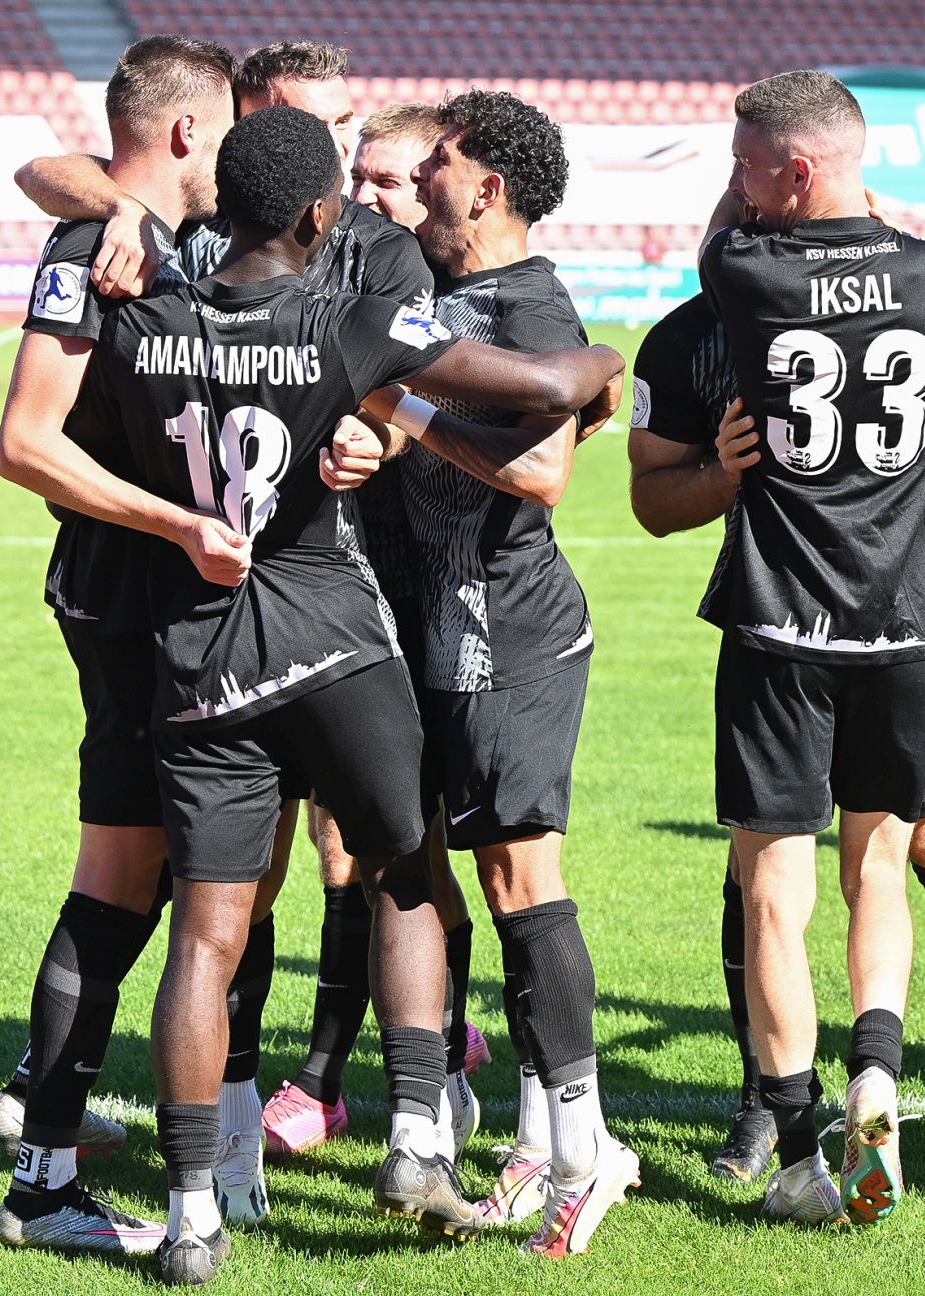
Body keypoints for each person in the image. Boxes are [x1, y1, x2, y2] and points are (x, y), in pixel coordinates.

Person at [0, 105, 624, 1284]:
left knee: (208, 930)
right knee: (401, 868)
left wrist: (179, 516)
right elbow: (540, 380)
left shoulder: (144, 317)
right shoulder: (348, 317)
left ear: (215, 202)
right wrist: (601, 369)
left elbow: (60, 449)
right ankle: (411, 1138)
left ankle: (191, 1217)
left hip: (198, 654)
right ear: (322, 215)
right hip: (334, 645)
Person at [12, 41, 441, 1201]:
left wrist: (381, 433)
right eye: (308, 127)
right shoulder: (136, 241)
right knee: (161, 875)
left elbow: (409, 389)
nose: (335, 155)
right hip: (150, 593)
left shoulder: (370, 252)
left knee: (190, 876)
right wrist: (114, 208)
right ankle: (78, 1138)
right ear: (227, 130)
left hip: (245, 602)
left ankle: (95, 1125)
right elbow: (45, 175)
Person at [625, 245, 925, 1183]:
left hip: (907, 627)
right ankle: (767, 1100)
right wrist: (721, 478)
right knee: (761, 878)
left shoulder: (898, 278)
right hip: (785, 629)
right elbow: (653, 500)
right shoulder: (697, 337)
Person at [697, 69, 925, 1226]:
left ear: (793, 170)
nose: (735, 189)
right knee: (882, 862)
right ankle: (877, 1072)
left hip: (779, 628)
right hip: (905, 630)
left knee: (775, 885)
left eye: (745, 166)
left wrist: (747, 207)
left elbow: (721, 240)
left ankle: (792, 1145)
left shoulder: (743, 270)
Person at [362, 88, 640, 1257]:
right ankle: (515, 1130)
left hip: (508, 639)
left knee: (524, 885)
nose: (419, 180)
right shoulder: (437, 289)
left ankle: (588, 1149)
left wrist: (402, 406)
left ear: (486, 187)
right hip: (427, 632)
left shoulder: (532, 302)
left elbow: (538, 477)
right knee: (441, 872)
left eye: (438, 167)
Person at [0, 35, 238, 1257]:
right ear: (188, 132)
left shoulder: (141, 224)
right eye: (227, 130)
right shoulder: (97, 247)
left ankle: (52, 1139)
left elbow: (54, 166)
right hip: (137, 601)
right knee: (133, 879)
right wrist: (177, 522)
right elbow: (25, 443)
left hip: (150, 596)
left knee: (136, 881)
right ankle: (55, 1171)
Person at [260, 98, 494, 1167]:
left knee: (417, 845)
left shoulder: (455, 296)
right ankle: (346, 1070)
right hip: (342, 588)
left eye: (398, 180)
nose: (374, 196)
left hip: (436, 598)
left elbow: (427, 407)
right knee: (345, 844)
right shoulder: (344, 273)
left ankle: (426, 1058)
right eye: (362, 177)